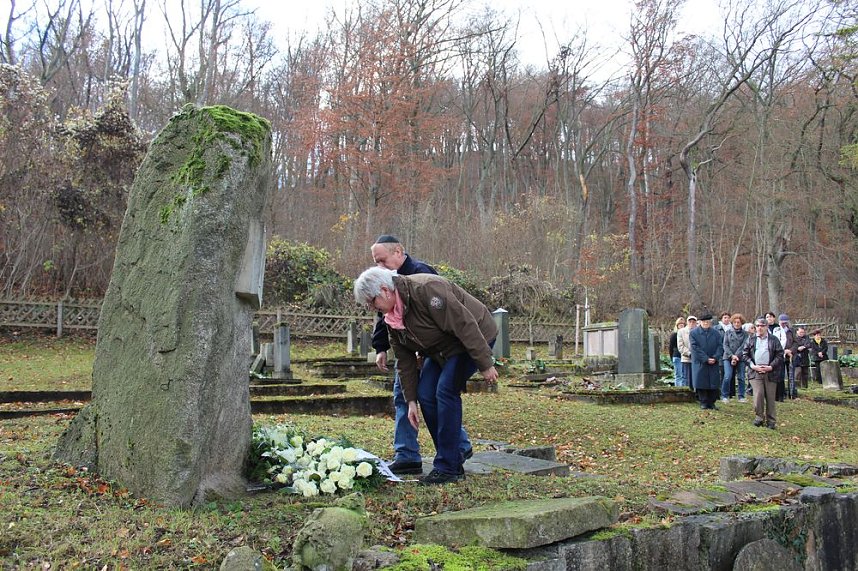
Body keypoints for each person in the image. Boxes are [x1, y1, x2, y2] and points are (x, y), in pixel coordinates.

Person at [354, 267, 498, 485]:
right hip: (441, 349)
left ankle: (448, 467)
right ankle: (452, 454)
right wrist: (411, 401)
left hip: (473, 338)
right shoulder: (392, 318)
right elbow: (405, 361)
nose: (372, 308)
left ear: (384, 290)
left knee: (445, 390)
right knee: (425, 393)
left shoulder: (426, 289)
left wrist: (485, 363)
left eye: (372, 302)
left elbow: (464, 324)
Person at [368, 234, 472, 475]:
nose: (379, 266)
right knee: (403, 394)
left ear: (398, 252)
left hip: (429, 349)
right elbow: (383, 317)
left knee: (432, 397)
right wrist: (381, 347)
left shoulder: (421, 273)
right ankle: (407, 454)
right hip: (405, 346)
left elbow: (441, 313)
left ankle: (458, 446)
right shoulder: (384, 281)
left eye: (382, 260)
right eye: (375, 261)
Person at [742, 317, 784, 429]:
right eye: (757, 326)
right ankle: (759, 417)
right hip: (755, 372)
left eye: (762, 326)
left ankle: (771, 421)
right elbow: (745, 354)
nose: (759, 328)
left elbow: (780, 355)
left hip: (770, 372)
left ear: (766, 327)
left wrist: (771, 367)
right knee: (758, 395)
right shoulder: (751, 339)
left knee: (770, 397)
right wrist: (753, 366)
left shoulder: (774, 340)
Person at [690, 314, 723, 409]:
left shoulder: (716, 333)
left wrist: (715, 357)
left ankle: (712, 402)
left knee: (713, 382)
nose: (706, 323)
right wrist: (705, 358)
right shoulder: (694, 333)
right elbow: (695, 347)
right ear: (700, 322)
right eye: (704, 321)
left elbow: (720, 346)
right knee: (701, 382)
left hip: (713, 361)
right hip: (701, 362)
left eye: (708, 321)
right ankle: (703, 402)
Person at [722, 313, 748, 403]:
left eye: (738, 322)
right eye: (735, 322)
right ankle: (725, 395)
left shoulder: (745, 334)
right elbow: (725, 345)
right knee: (727, 376)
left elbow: (744, 346)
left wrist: (736, 356)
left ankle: (741, 396)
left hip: (740, 358)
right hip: (728, 357)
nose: (737, 324)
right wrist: (731, 356)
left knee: (741, 377)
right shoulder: (728, 332)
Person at [773, 314, 794, 401]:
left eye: (785, 322)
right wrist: (783, 350)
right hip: (780, 355)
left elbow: (795, 342)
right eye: (782, 322)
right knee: (780, 375)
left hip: (789, 356)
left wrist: (791, 350)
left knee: (790, 376)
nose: (784, 324)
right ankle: (780, 394)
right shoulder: (776, 330)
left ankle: (792, 393)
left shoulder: (791, 331)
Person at [677, 316, 697, 391]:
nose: (692, 323)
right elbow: (680, 346)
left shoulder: (699, 331)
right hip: (686, 358)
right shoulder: (681, 331)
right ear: (687, 322)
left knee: (695, 377)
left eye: (693, 322)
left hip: (697, 359)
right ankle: (687, 393)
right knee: (686, 377)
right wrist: (689, 353)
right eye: (690, 321)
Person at [791, 325, 811, 393]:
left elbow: (808, 344)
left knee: (805, 372)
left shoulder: (807, 337)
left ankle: (805, 386)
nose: (802, 334)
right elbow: (793, 345)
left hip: (804, 356)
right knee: (797, 372)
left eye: (803, 332)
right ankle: (797, 386)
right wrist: (797, 348)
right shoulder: (794, 338)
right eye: (800, 332)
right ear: (797, 332)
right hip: (797, 356)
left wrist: (804, 347)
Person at [669, 317, 686, 387]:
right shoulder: (674, 335)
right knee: (679, 374)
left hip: (684, 356)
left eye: (683, 324)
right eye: (680, 324)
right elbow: (671, 347)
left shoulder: (686, 334)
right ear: (677, 325)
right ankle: (678, 389)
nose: (681, 325)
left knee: (684, 374)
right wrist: (671, 357)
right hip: (677, 356)